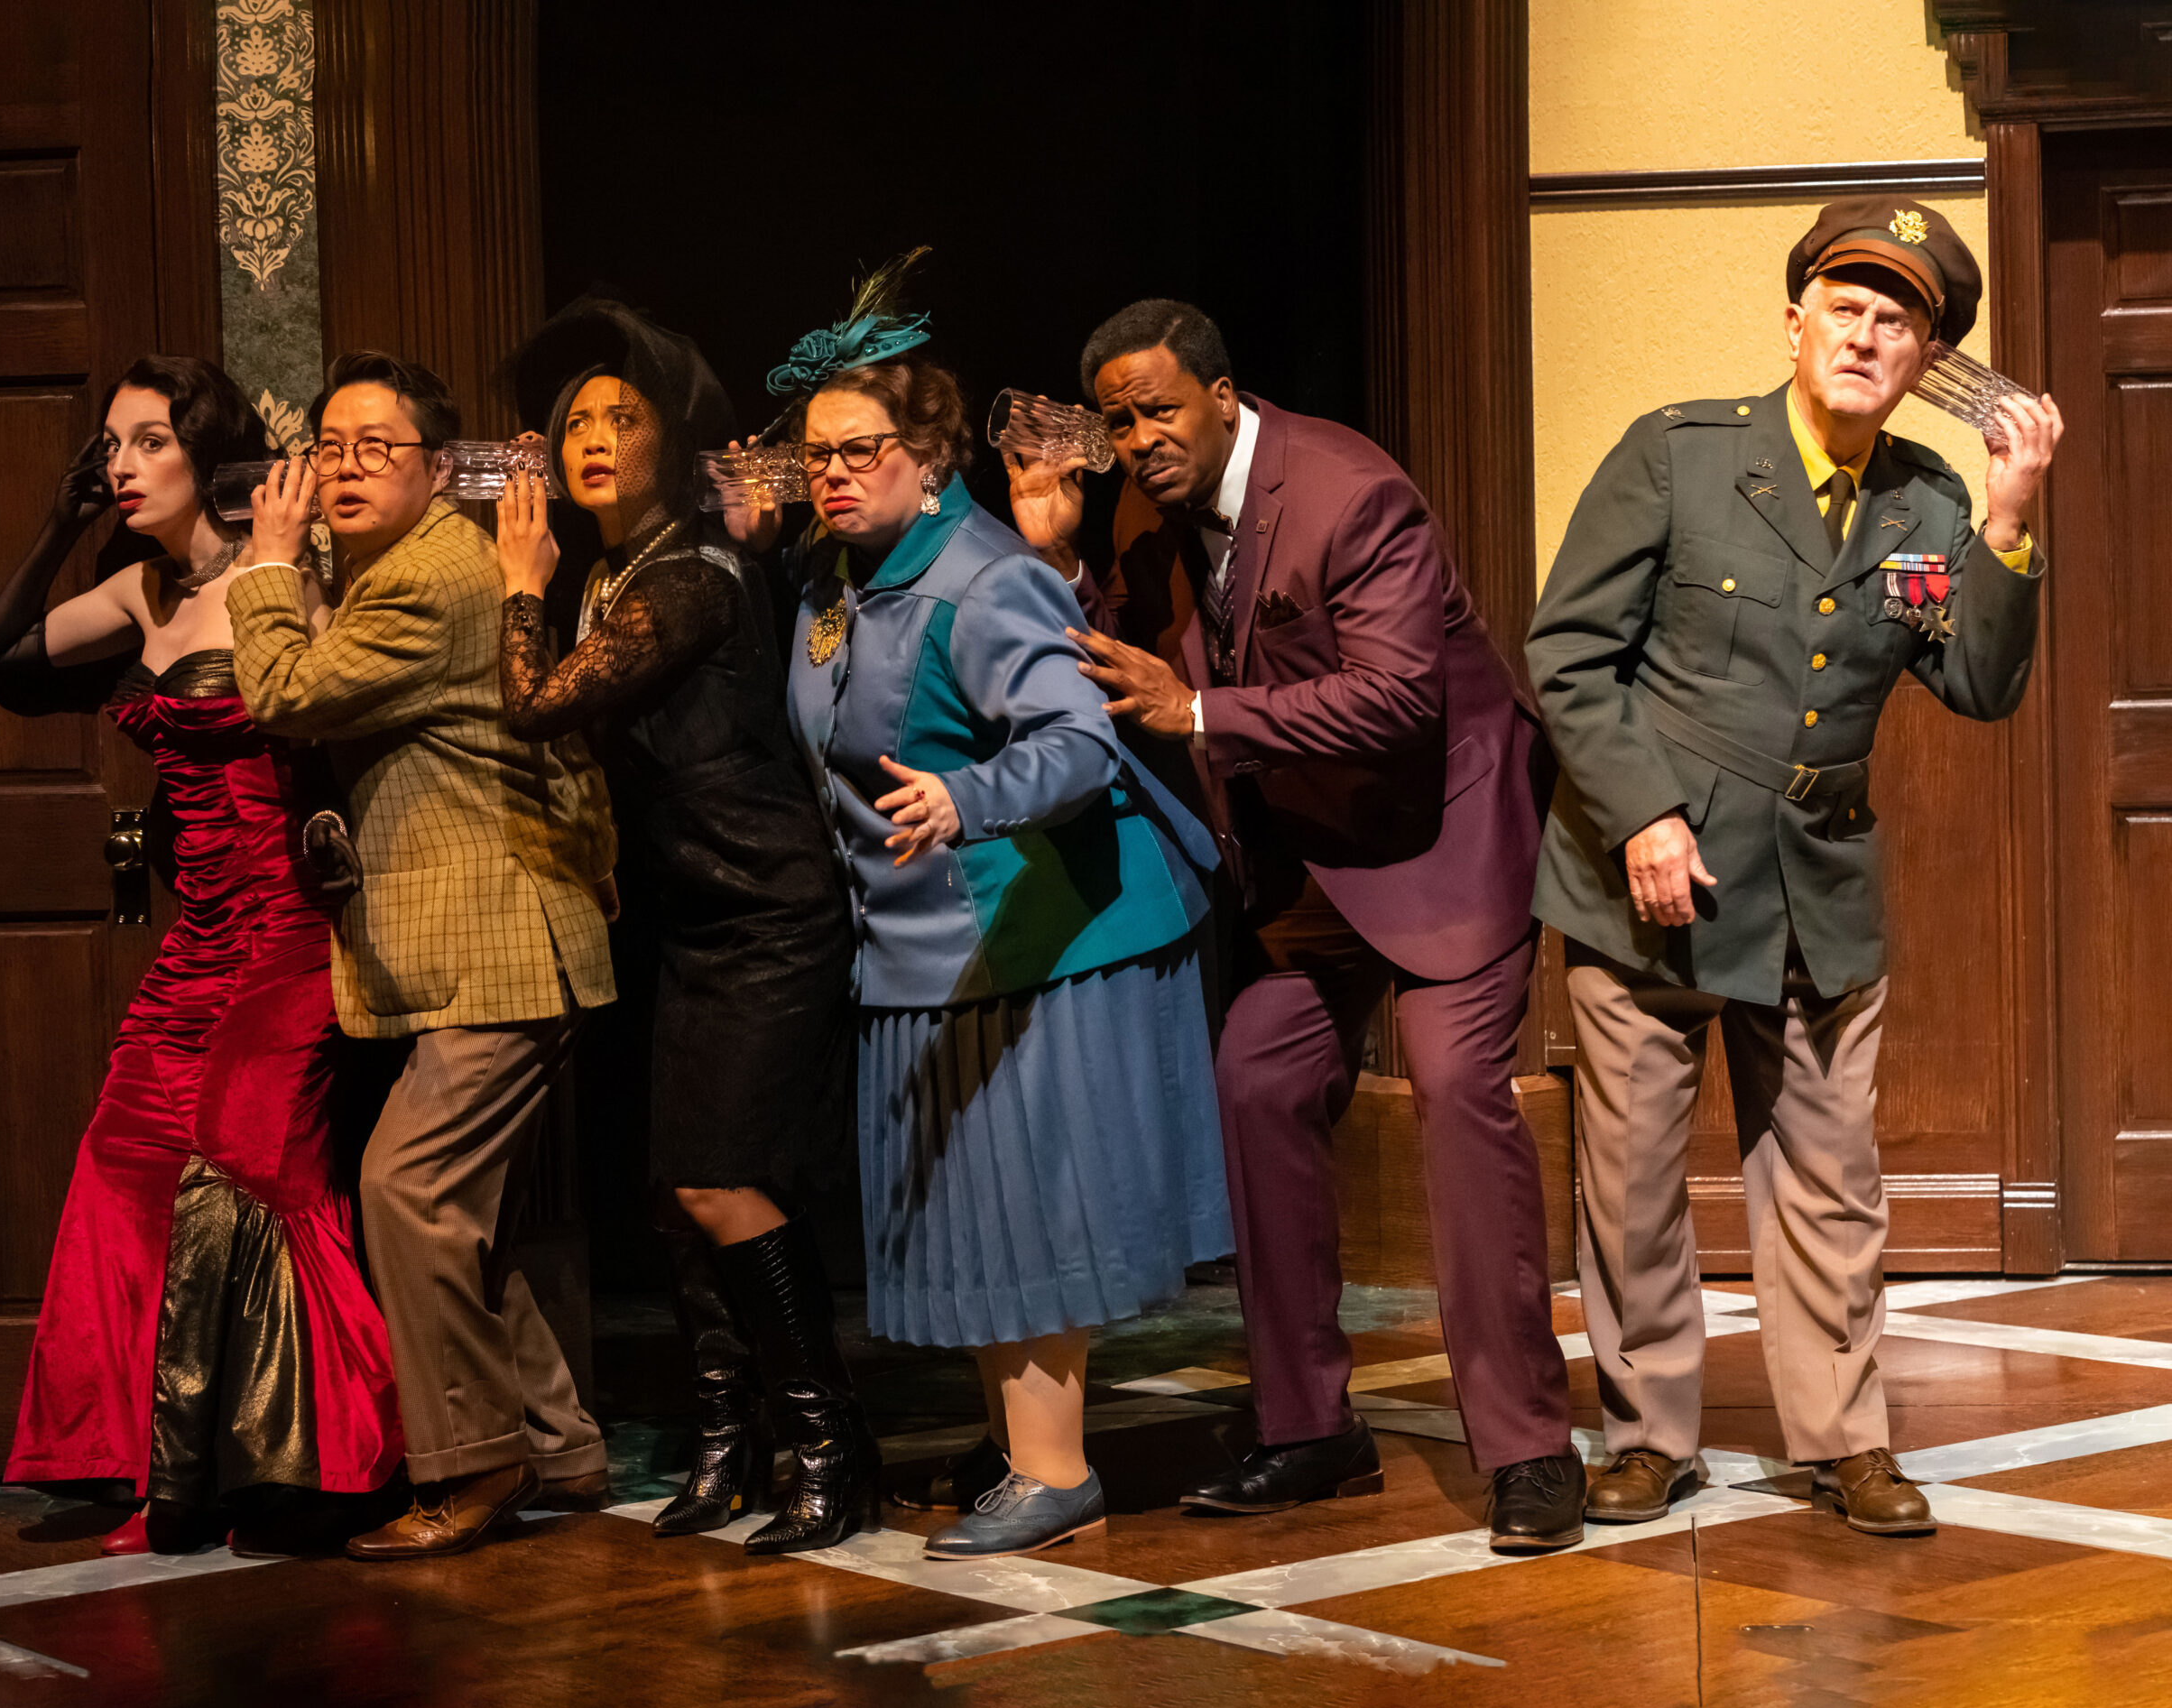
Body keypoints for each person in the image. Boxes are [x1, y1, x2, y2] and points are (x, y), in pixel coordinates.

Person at [1525, 198, 2062, 1535]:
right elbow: (1569, 655)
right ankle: (1648, 1436)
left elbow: (1981, 685)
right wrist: (1644, 812)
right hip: (1648, 880)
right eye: (1846, 305)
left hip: (1818, 887)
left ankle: (1847, 1439)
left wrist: (2009, 520)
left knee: (1831, 1178)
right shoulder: (1679, 457)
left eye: (1898, 320)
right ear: (1793, 319)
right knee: (1634, 1174)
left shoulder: (1929, 505)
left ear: (1923, 353)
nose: (1866, 335)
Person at [1012, 300, 1583, 1552]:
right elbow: (1110, 650)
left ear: (1225, 393)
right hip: (1310, 867)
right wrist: (1058, 561)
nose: (1141, 435)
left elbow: (1395, 698)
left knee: (1455, 1093)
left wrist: (1206, 713)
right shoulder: (1142, 513)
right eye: (1118, 419)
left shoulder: (1349, 492)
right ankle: (1310, 1423)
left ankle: (1533, 1446)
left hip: (1442, 837)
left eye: (1160, 406)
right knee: (1257, 1082)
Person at [748, 284, 1232, 1560]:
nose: (837, 475)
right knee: (965, 1205)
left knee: (1023, 1204)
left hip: (1031, 935)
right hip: (914, 943)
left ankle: (1058, 1469)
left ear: (930, 459)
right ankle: (1020, 1450)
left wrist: (964, 799)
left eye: (865, 453)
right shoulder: (833, 576)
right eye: (821, 454)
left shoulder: (987, 579)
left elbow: (1078, 746)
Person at [0, 356, 402, 1556]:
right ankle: (127, 1452)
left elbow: (344, 738)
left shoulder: (284, 585)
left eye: (145, 442)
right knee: (122, 1160)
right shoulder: (138, 596)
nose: (118, 464)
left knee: (244, 1173)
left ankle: (310, 1463)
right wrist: (62, 523)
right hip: (195, 949)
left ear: (206, 458)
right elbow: (1, 663)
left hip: (288, 945)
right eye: (108, 444)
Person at [228, 352, 620, 1560]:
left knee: (409, 1190)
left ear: (439, 469)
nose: (342, 470)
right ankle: (558, 1442)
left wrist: (262, 566)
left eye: (374, 449)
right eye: (329, 447)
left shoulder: (431, 582)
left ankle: (477, 1464)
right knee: (448, 1216)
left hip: (498, 940)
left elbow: (286, 692)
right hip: (483, 941)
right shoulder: (408, 567)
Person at [493, 294, 863, 1554]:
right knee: (674, 1193)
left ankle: (826, 1442)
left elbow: (539, 705)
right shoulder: (619, 572)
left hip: (772, 911)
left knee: (723, 1177)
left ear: (671, 441)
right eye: (576, 420)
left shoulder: (695, 576)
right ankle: (728, 1436)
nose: (593, 436)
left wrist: (514, 588)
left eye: (622, 415)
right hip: (695, 919)